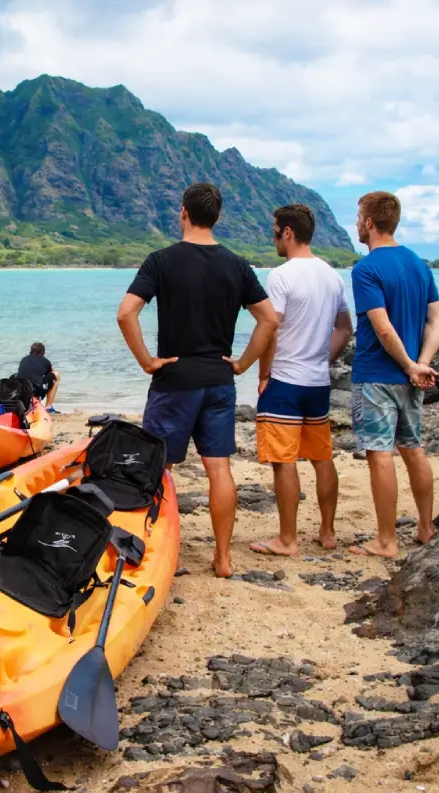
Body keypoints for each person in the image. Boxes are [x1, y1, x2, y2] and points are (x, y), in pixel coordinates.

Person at [116, 182, 278, 578]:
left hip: (175, 379)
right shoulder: (238, 264)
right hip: (219, 381)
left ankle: (154, 551)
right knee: (219, 468)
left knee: (159, 467)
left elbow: (125, 313)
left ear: (183, 213)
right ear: (218, 217)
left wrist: (146, 361)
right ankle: (222, 559)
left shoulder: (161, 260)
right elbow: (270, 319)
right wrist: (242, 364)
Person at [248, 204, 352, 558]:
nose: (273, 236)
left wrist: (262, 372)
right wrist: (324, 359)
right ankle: (327, 532)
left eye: (275, 230)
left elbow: (270, 326)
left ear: (287, 232)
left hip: (286, 380)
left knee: (284, 461)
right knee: (323, 458)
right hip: (317, 382)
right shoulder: (333, 276)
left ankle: (288, 539)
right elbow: (344, 329)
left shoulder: (282, 275)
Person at [348, 191, 439, 558]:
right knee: (413, 448)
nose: (357, 223)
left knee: (380, 453)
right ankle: (425, 527)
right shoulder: (418, 264)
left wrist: (408, 364)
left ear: (370, 223)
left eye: (359, 217)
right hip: (412, 375)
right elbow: (436, 319)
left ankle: (386, 540)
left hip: (378, 374)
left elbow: (383, 327)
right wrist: (422, 362)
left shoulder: (366, 269)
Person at [17, 342, 61, 413]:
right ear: (43, 352)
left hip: (21, 389)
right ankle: (48, 408)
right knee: (56, 375)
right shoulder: (45, 361)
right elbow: (52, 373)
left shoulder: (23, 359)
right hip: (36, 390)